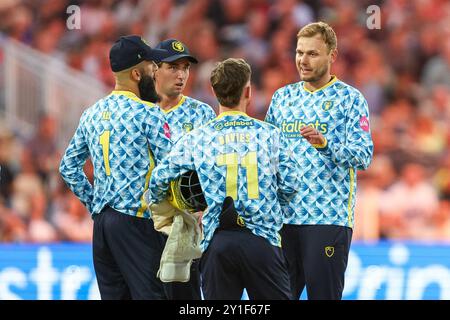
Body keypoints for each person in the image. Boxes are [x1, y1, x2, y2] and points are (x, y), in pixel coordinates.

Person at [146, 58, 300, 300]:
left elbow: (157, 182)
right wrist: (272, 205)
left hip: (217, 242)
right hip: (262, 241)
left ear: (214, 92)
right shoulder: (270, 134)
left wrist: (182, 212)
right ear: (248, 91)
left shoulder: (197, 138)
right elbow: (292, 185)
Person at [265, 22, 374, 300]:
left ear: (332, 56)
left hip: (326, 218)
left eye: (312, 53)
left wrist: (326, 146)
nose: (303, 60)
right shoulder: (282, 98)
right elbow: (267, 156)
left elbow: (363, 156)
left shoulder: (350, 100)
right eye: (299, 52)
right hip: (283, 220)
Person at [59, 35, 172, 300]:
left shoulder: (92, 113)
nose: (156, 70)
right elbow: (171, 167)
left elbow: (68, 167)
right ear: (136, 73)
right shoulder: (148, 113)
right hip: (138, 221)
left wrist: (96, 206)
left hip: (103, 226)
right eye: (151, 65)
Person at [152, 38, 216, 300]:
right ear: (154, 68)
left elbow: (215, 167)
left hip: (186, 223)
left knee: (185, 297)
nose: (181, 75)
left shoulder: (201, 113)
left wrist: (208, 208)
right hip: (146, 222)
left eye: (185, 68)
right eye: (173, 67)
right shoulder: (141, 112)